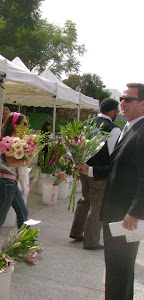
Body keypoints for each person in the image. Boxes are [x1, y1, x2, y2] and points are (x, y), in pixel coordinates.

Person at [76, 83, 144, 300]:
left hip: (126, 216)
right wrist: (90, 170)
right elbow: (116, 167)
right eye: (122, 99)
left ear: (142, 104)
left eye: (128, 100)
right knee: (118, 270)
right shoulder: (130, 127)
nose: (122, 103)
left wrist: (135, 212)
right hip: (116, 212)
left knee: (118, 270)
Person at [70, 98, 121, 250]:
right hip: (99, 172)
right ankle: (91, 241)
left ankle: (76, 231)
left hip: (84, 168)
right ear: (113, 111)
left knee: (84, 200)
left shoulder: (87, 123)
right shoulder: (113, 128)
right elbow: (113, 153)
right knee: (97, 205)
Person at [0, 112, 29, 249]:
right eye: (24, 124)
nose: (26, 127)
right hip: (5, 182)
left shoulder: (15, 139)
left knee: (23, 211)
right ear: (15, 126)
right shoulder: (9, 141)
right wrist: (25, 161)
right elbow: (10, 162)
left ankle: (23, 244)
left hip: (11, 182)